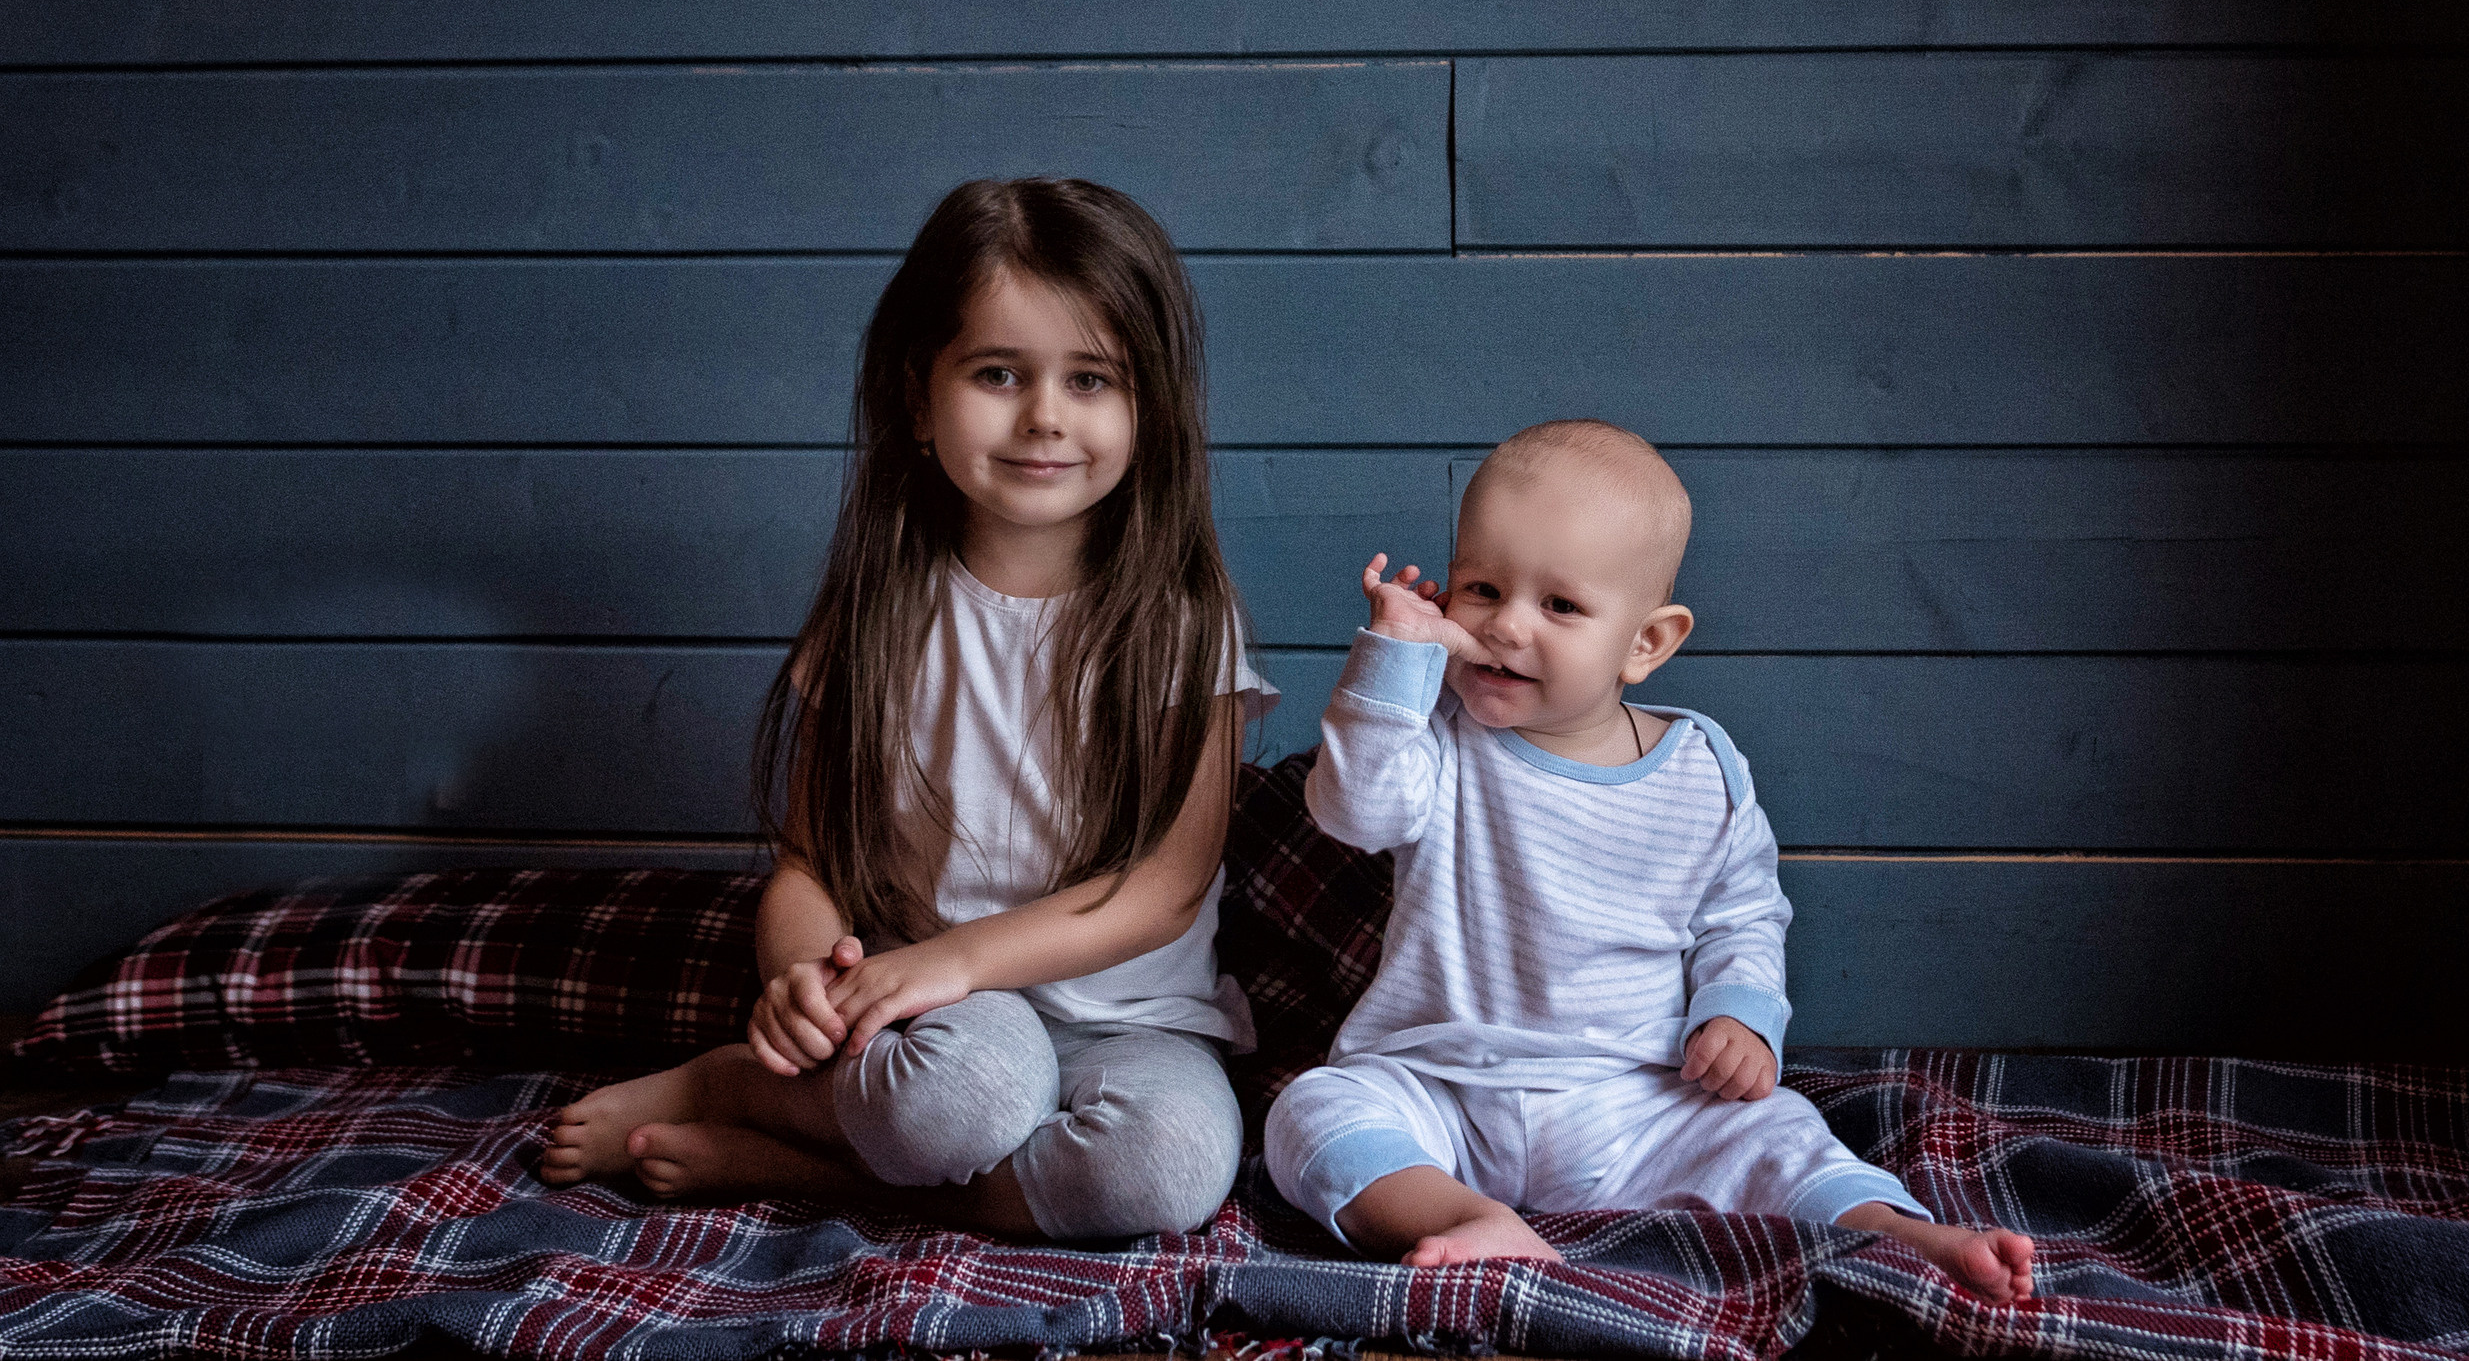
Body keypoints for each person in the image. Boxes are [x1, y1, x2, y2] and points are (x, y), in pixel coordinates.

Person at [540, 177, 1273, 1242]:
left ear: (1149, 405)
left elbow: (1163, 890)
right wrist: (801, 974)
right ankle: (741, 1084)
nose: (1045, 416)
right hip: (938, 1026)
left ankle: (804, 1164)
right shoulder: (880, 610)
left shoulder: (1183, 621)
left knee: (1166, 1168)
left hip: (1134, 1025)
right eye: (996, 373)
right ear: (917, 395)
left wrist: (963, 954)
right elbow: (809, 863)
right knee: (960, 1098)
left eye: (1091, 378)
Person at [1262, 420, 2034, 1301]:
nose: (1507, 623)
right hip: (1445, 1085)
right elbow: (1351, 811)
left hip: (1635, 1101)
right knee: (1310, 1112)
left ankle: (1895, 1232)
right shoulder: (1435, 738)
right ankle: (1463, 1217)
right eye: (1481, 587)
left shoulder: (1703, 771)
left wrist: (1740, 1014)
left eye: (1560, 606)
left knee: (1776, 1132)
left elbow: (1742, 916)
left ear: (1647, 642)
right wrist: (1394, 657)